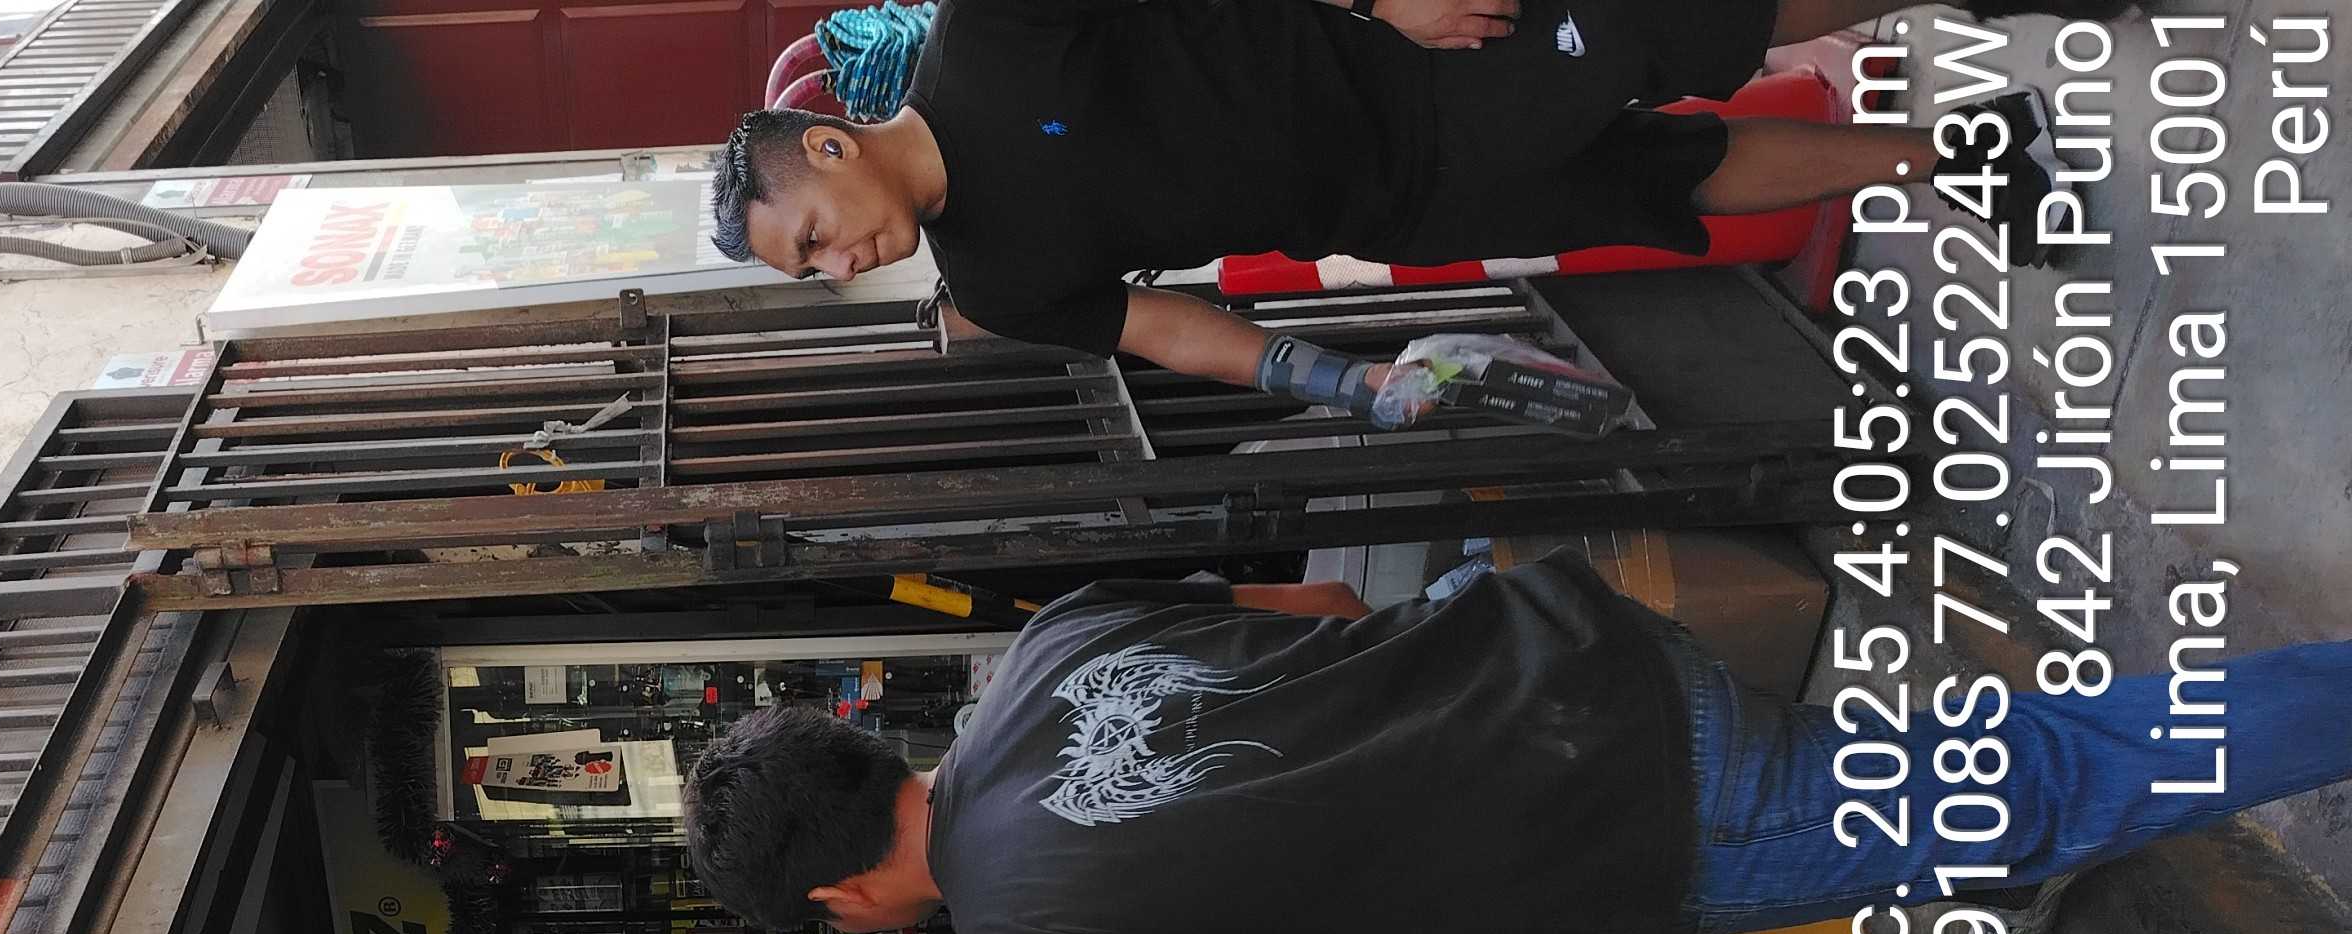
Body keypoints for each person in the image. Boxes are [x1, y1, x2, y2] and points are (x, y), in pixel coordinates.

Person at [679, 557, 2352, 934]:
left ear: (836, 903)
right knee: (1981, 781)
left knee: (2058, 771)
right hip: (1586, 650)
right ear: (860, 748)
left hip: (1647, 816)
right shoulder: (1051, 641)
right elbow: (1327, 609)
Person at [706, 0, 2092, 389]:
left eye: (813, 242)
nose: (839, 265)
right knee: (1659, 183)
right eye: (811, 273)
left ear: (827, 148)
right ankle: (1961, 155)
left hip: (1408, 63)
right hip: (1395, 210)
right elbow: (1163, 330)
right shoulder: (998, 283)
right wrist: (1336, 384)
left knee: (1679, 26)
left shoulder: (989, 38)